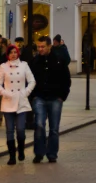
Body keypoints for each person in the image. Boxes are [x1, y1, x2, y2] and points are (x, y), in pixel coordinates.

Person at [29, 35, 71, 163]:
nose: (40, 49)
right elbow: (29, 79)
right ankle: (39, 152)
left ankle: (52, 154)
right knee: (39, 125)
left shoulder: (59, 60)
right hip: (39, 98)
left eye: (42, 47)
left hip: (55, 98)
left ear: (49, 46)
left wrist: (62, 96)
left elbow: (66, 79)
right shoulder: (35, 61)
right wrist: (33, 96)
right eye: (38, 47)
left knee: (54, 128)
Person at [0, 44, 35, 165]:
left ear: (18, 53)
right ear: (8, 54)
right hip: (8, 102)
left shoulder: (24, 65)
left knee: (21, 129)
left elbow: (32, 81)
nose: (13, 54)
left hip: (21, 102)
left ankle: (21, 150)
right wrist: (5, 93)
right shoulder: (3, 67)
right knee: (9, 130)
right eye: (11, 52)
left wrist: (25, 93)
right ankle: (12, 156)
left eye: (15, 52)